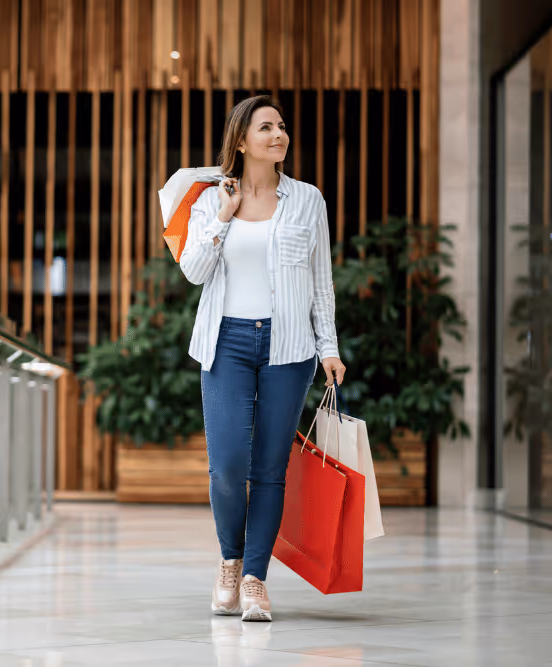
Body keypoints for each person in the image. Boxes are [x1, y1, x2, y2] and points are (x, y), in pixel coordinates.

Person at [178, 96, 346, 622]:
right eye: (266, 127)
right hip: (225, 342)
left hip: (289, 346)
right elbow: (193, 271)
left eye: (282, 127)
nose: (279, 135)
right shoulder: (211, 200)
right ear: (242, 140)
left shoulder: (307, 200)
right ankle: (229, 561)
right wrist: (223, 218)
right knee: (228, 466)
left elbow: (321, 281)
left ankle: (254, 579)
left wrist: (330, 348)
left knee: (270, 470)